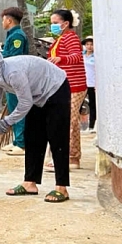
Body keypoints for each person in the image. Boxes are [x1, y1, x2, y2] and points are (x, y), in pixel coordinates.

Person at [0, 45, 72, 203]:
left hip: (55, 88)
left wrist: (4, 124)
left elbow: (25, 103)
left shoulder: (13, 73)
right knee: (32, 137)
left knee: (57, 138)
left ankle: (62, 187)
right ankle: (29, 183)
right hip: (35, 94)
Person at [48, 9, 87, 170]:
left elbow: (77, 56)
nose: (53, 26)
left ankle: (71, 156)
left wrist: (60, 58)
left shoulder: (70, 37)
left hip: (74, 85)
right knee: (66, 120)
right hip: (64, 85)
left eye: (55, 23)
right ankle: (69, 155)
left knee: (69, 121)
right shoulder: (61, 38)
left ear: (66, 24)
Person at [0, 7, 29, 155]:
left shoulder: (17, 36)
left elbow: (15, 58)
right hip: (10, 78)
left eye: (3, 19)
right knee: (13, 109)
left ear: (9, 20)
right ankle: (17, 140)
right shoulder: (11, 35)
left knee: (18, 109)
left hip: (16, 78)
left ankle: (22, 143)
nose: (2, 22)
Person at [83, 36, 96, 133]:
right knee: (79, 105)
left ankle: (91, 126)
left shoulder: (96, 56)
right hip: (83, 83)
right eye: (87, 44)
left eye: (91, 44)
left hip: (92, 83)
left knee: (92, 105)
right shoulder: (81, 55)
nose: (89, 46)